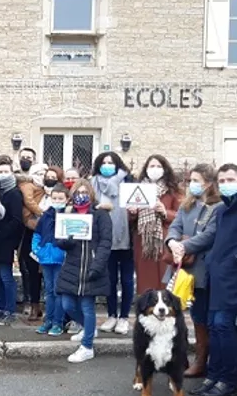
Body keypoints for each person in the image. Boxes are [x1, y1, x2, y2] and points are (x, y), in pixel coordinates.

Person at [185, 163, 237, 396]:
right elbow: (213, 238)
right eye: (221, 181)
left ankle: (228, 380)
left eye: (230, 180)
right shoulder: (221, 210)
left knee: (223, 325)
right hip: (218, 277)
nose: (225, 184)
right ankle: (213, 376)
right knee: (213, 326)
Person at [166, 163, 224, 378]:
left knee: (200, 317)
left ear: (208, 183)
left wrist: (184, 246)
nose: (192, 185)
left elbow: (210, 235)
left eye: (196, 180)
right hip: (182, 266)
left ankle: (202, 361)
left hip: (202, 268)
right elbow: (175, 226)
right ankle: (181, 357)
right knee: (177, 312)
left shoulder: (217, 207)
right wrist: (172, 242)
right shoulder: (187, 204)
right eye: (191, 180)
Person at [55, 178, 113, 363]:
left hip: (92, 267)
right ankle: (89, 328)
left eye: (85, 192)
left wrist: (98, 265)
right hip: (72, 268)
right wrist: (67, 241)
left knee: (88, 307)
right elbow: (60, 241)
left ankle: (87, 346)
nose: (81, 196)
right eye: (78, 192)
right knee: (67, 305)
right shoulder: (68, 212)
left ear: (91, 194)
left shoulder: (100, 214)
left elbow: (106, 242)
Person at [91, 151, 135, 336]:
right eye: (104, 162)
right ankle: (111, 315)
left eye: (110, 162)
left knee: (126, 280)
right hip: (103, 238)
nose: (107, 165)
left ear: (117, 164)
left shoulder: (128, 181)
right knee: (109, 279)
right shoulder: (93, 182)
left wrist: (133, 211)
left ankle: (124, 317)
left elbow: (138, 205)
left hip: (125, 237)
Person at [129, 154, 181, 294]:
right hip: (144, 241)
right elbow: (130, 219)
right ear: (146, 169)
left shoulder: (173, 190)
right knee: (145, 280)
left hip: (165, 239)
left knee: (164, 277)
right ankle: (146, 307)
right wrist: (133, 212)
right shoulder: (138, 189)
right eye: (152, 166)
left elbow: (181, 216)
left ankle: (165, 306)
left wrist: (165, 212)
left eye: (159, 166)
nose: (155, 169)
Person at [0, 156, 25, 325]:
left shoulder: (14, 193)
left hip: (6, 241)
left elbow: (16, 220)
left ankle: (10, 310)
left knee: (6, 277)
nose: (2, 175)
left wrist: (2, 235)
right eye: (0, 171)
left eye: (6, 172)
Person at [32, 185, 68, 336]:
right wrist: (37, 250)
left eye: (61, 199)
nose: (57, 201)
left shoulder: (68, 215)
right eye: (55, 198)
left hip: (61, 258)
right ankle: (48, 321)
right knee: (49, 292)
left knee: (58, 291)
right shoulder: (46, 215)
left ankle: (58, 323)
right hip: (46, 258)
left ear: (67, 200)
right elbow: (37, 234)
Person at [16, 161, 47, 322]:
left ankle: (41, 305)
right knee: (32, 270)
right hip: (31, 231)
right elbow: (29, 202)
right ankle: (34, 304)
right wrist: (42, 213)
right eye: (39, 173)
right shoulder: (28, 185)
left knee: (45, 271)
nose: (42, 177)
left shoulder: (48, 189)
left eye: (44, 173)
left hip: (46, 232)